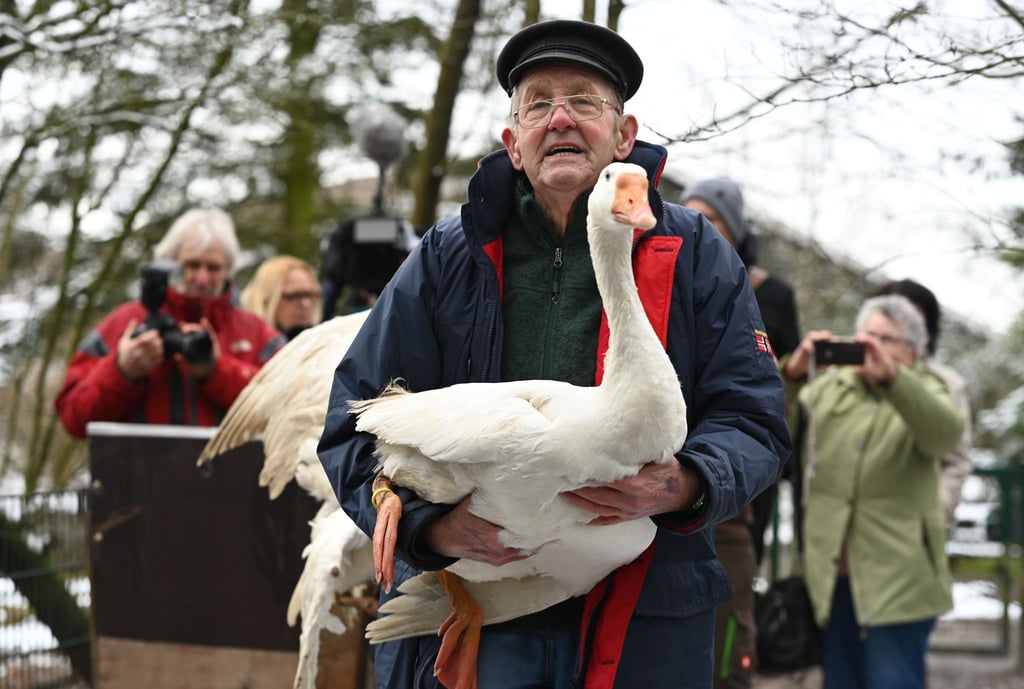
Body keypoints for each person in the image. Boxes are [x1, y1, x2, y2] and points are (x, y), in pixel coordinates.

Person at [317, 19, 791, 689]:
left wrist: (685, 482)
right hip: (478, 620)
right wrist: (433, 531)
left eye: (584, 100)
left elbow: (755, 420)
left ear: (624, 134)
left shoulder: (696, 255)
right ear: (513, 143)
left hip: (644, 626)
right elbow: (351, 424)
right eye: (537, 103)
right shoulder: (446, 256)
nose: (560, 117)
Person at [780, 294, 963, 689]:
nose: (872, 346)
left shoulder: (930, 388)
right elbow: (773, 431)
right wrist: (791, 375)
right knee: (839, 680)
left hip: (900, 576)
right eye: (866, 336)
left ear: (912, 351)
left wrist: (895, 381)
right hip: (830, 573)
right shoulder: (828, 389)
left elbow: (945, 435)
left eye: (886, 339)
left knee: (892, 680)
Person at [682, 177, 801, 688]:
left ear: (735, 228)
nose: (696, 226)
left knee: (730, 627)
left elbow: (772, 384)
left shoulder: (771, 294)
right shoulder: (666, 277)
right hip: (673, 471)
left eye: (710, 218)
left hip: (741, 479)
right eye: (689, 213)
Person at [55, 208, 286, 439]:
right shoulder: (125, 323)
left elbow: (287, 412)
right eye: (192, 265)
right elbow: (73, 418)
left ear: (228, 270)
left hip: (232, 463)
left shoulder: (258, 334)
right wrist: (122, 371)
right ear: (168, 263)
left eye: (214, 268)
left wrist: (217, 371)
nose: (202, 279)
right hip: (138, 463)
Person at [873, 278, 972, 526]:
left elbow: (956, 461)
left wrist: (933, 517)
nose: (901, 327)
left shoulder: (946, 384)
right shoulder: (843, 378)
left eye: (913, 318)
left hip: (911, 529)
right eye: (892, 315)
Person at [240, 255, 322, 340]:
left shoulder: (323, 342)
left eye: (309, 295)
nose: (305, 304)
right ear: (267, 299)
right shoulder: (245, 343)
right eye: (293, 296)